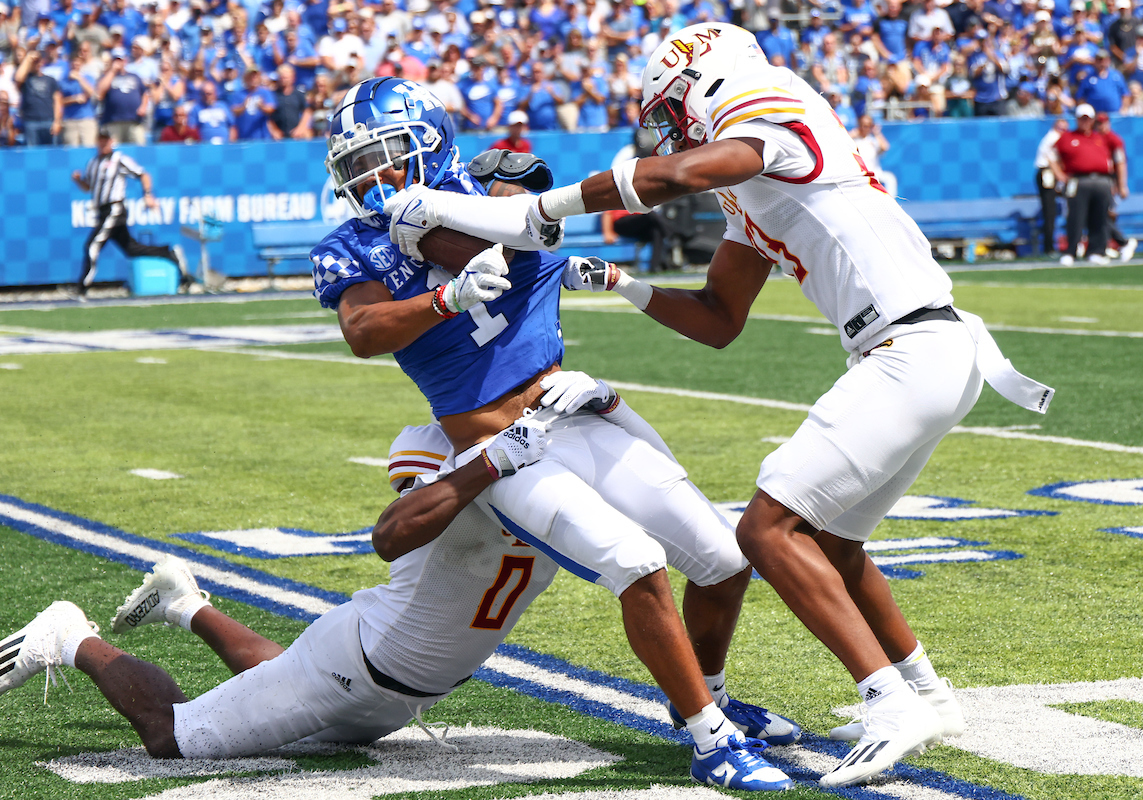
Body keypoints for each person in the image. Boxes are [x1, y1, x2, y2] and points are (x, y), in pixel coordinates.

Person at [407, 22, 1054, 788]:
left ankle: (888, 702)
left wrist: (546, 209)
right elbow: (719, 318)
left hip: (912, 348)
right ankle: (928, 694)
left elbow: (676, 174)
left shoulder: (775, 110)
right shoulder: (757, 186)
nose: (670, 130)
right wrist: (625, 284)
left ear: (700, 85)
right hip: (926, 351)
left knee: (765, 530)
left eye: (670, 112)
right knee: (834, 543)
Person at [314, 77, 799, 793]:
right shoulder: (350, 245)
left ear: (430, 145)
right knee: (636, 561)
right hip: (501, 446)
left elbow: (533, 231)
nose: (370, 176)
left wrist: (438, 220)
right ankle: (710, 740)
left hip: (570, 407)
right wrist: (444, 297)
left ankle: (708, 697)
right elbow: (363, 331)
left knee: (725, 561)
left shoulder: (487, 191)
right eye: (356, 164)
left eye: (382, 155)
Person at [0, 417, 556, 756]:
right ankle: (69, 638)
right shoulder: (461, 480)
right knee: (171, 736)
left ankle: (184, 604)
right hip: (359, 664)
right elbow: (398, 526)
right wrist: (495, 455)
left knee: (293, 687)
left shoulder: (546, 480)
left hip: (408, 690)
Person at [71, 129, 190, 297]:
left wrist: (148, 195)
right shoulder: (93, 162)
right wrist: (78, 181)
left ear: (111, 141)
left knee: (92, 246)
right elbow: (88, 187)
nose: (103, 143)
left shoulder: (119, 159)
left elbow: (143, 174)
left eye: (106, 139)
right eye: (100, 139)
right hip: (102, 211)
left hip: (114, 209)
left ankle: (82, 288)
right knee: (131, 249)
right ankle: (168, 253)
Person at [1051, 103, 1116, 265]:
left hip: (1101, 180)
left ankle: (1096, 251)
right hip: (1078, 180)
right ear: (1077, 119)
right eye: (1082, 119)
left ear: (1093, 120)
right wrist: (1060, 175)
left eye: (1088, 119)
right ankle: (1071, 251)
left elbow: (1117, 156)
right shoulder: (1067, 138)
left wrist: (1117, 183)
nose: (1085, 122)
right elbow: (1051, 156)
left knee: (1100, 217)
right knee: (1076, 217)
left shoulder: (1101, 137)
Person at [1095, 111, 1137, 261]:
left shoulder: (1113, 139)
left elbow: (1120, 163)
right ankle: (1107, 244)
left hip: (1109, 180)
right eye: (1098, 123)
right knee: (1099, 214)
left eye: (1102, 123)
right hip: (1098, 179)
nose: (1100, 126)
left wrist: (1121, 185)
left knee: (1104, 213)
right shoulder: (1095, 137)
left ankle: (1122, 242)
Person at [1034, 117, 1068, 255]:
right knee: (1050, 211)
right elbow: (1050, 158)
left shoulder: (1053, 137)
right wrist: (1060, 175)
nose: (1063, 131)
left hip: (1049, 173)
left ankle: (1050, 245)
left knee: (1051, 211)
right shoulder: (1053, 137)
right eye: (1061, 128)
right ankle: (1049, 247)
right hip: (1047, 172)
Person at [14, 49, 62, 145]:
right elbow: (18, 78)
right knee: (32, 152)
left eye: (38, 61)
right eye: (34, 62)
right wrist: (28, 58)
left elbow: (57, 101)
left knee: (51, 151)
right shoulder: (26, 80)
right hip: (31, 122)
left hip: (48, 121)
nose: (36, 63)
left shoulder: (50, 80)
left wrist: (57, 121)